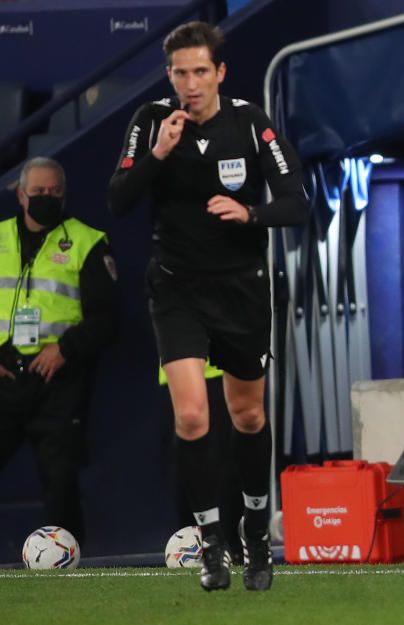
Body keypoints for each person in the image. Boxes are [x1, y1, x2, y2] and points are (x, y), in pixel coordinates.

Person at [107, 21, 308, 591]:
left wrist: (251, 214)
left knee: (247, 414)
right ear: (169, 75)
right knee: (192, 415)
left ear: (220, 72)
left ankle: (254, 532)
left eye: (200, 71)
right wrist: (158, 155)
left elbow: (296, 201)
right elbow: (118, 200)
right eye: (179, 73)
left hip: (242, 288)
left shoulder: (250, 122)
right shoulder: (151, 123)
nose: (189, 84)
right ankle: (210, 544)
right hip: (176, 288)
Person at [0, 157, 118, 546]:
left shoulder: (87, 241)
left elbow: (107, 317)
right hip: (5, 375)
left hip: (58, 378)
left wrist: (65, 350)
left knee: (61, 480)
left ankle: (66, 569)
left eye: (54, 192)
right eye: (38, 193)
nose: (46, 198)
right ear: (20, 195)